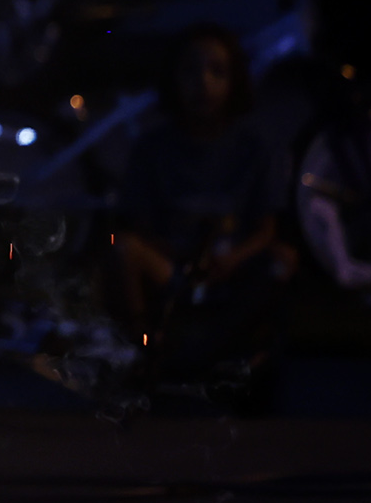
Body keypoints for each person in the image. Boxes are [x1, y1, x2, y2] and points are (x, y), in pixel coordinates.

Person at [112, 23, 283, 342]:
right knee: (123, 249)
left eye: (217, 72)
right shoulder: (153, 149)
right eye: (190, 71)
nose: (203, 83)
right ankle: (144, 341)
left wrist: (232, 260)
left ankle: (251, 344)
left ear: (235, 81)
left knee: (283, 261)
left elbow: (266, 227)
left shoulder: (251, 149)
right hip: (172, 266)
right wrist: (179, 255)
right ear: (173, 79)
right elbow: (136, 226)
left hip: (231, 267)